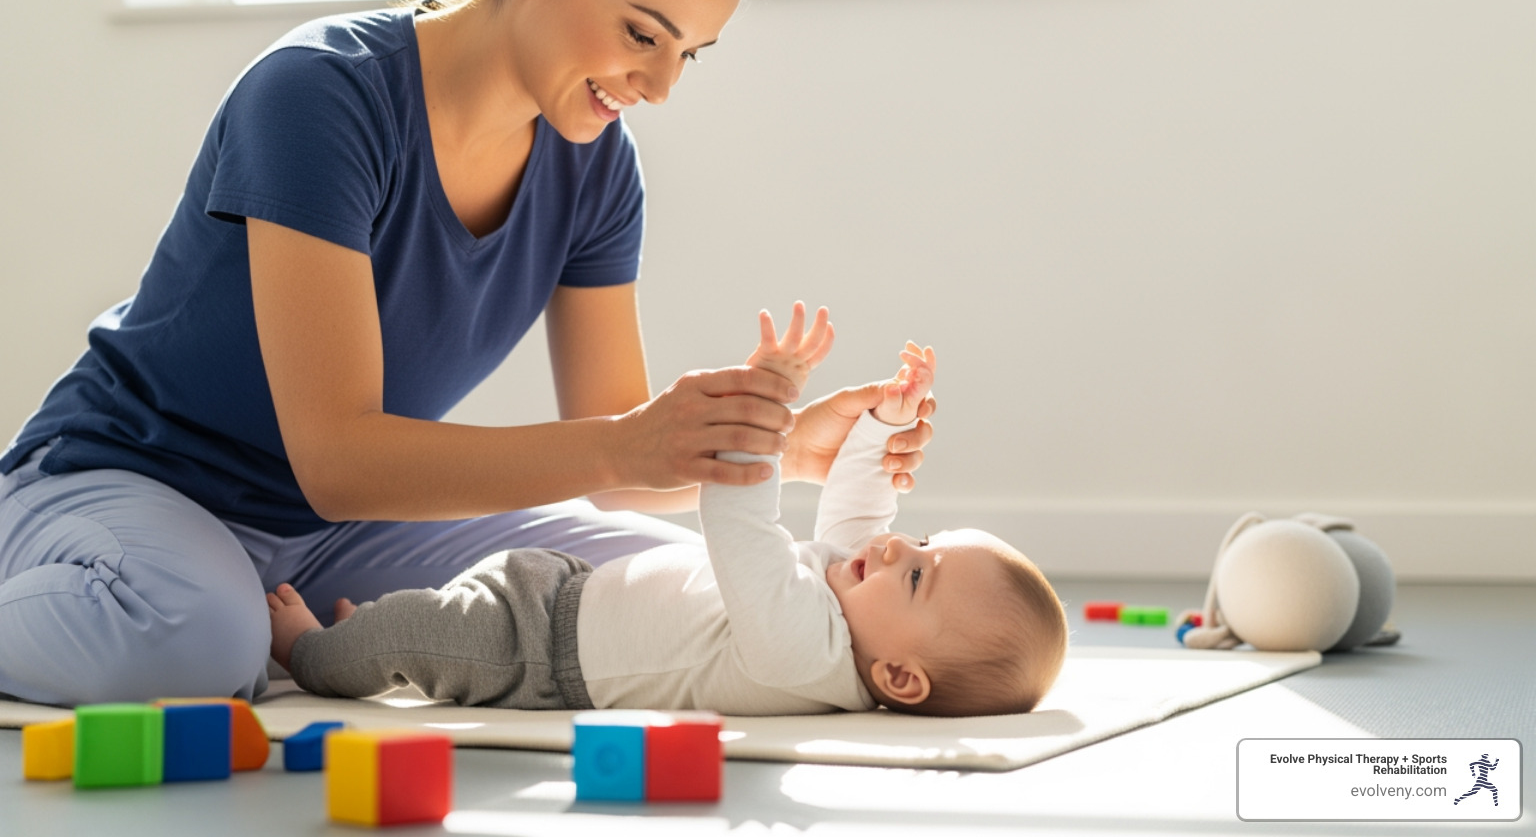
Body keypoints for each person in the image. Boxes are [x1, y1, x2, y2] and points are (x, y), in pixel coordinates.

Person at [0, 0, 935, 708]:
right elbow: (339, 457)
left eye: (691, 53)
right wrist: (630, 439)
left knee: (681, 600)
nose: (659, 86)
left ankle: (246, 625)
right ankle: (181, 614)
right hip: (134, 482)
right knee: (194, 638)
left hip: (334, 534)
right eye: (643, 34)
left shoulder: (599, 169)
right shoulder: (319, 95)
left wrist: (777, 448)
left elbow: (616, 461)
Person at [268, 308, 1069, 717]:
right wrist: (885, 423)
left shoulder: (805, 652)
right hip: (571, 589)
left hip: (537, 657)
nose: (896, 549)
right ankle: (357, 634)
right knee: (409, 621)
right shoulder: (853, 597)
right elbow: (861, 501)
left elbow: (743, 528)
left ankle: (310, 653)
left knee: (416, 638)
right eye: (921, 541)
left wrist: (767, 407)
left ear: (898, 676)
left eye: (920, 577)